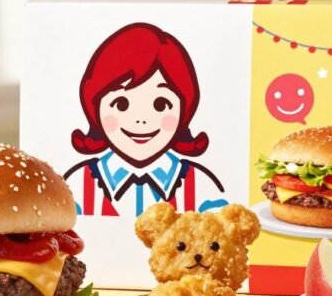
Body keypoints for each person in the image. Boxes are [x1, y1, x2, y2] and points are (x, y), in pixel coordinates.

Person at [65, 23, 226, 216]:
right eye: (121, 104)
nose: (141, 120)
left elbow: (223, 239)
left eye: (161, 105)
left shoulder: (201, 184)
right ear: (95, 109)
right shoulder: (76, 185)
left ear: (184, 111)